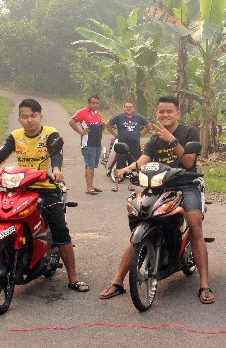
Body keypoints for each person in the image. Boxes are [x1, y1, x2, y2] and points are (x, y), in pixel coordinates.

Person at [98, 96, 215, 304]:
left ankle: (204, 284)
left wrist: (172, 140)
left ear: (178, 113)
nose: (165, 115)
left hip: (186, 185)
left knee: (195, 227)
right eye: (161, 111)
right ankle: (117, 281)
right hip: (159, 186)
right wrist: (127, 169)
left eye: (169, 111)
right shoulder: (154, 138)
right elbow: (144, 159)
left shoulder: (189, 133)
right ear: (156, 113)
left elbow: (188, 162)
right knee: (141, 224)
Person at [0, 99, 89, 293]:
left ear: (40, 116)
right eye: (25, 116)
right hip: (20, 188)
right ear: (19, 118)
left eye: (33, 116)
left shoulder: (50, 134)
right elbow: (1, 154)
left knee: (60, 230)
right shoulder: (16, 136)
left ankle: (73, 278)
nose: (29, 120)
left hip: (46, 187)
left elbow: (56, 154)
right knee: (2, 216)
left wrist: (56, 170)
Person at [104, 102, 151, 192]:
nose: (128, 108)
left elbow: (148, 126)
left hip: (134, 145)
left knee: (132, 165)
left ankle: (130, 184)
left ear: (134, 108)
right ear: (124, 108)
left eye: (130, 107)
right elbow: (107, 124)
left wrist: (141, 135)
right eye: (127, 107)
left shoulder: (139, 118)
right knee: (120, 163)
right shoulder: (119, 117)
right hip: (122, 145)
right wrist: (115, 134)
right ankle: (116, 184)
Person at [69, 95, 105, 195]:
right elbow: (71, 121)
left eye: (97, 103)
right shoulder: (83, 112)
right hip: (88, 144)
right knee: (89, 165)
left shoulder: (97, 114)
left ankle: (92, 186)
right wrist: (81, 132)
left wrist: (103, 126)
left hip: (97, 143)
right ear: (89, 103)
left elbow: (100, 129)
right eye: (93, 103)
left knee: (93, 166)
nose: (95, 105)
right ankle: (89, 188)